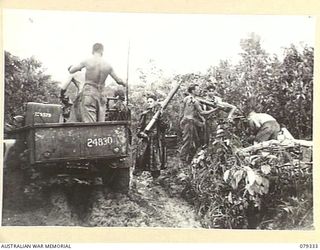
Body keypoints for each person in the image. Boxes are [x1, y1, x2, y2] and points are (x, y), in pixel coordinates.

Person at [60, 43, 126, 123]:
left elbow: (71, 70)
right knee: (100, 123)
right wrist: (125, 83)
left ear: (92, 51)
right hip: (102, 94)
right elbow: (118, 80)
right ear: (102, 52)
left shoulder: (87, 61)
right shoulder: (108, 65)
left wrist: (78, 67)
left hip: (89, 92)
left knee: (90, 123)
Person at [179, 84, 217, 165]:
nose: (199, 90)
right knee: (188, 142)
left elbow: (183, 112)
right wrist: (215, 109)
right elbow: (202, 113)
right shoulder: (194, 100)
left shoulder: (186, 99)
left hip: (188, 121)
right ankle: (183, 162)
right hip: (189, 123)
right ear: (193, 91)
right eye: (197, 89)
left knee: (197, 142)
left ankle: (188, 160)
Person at [134, 94, 168, 179]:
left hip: (157, 142)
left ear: (156, 102)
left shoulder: (160, 113)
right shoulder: (145, 114)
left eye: (151, 101)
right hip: (147, 141)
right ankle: (136, 183)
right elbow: (138, 129)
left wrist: (160, 117)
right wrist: (143, 134)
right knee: (141, 161)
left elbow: (165, 127)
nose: (149, 103)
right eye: (148, 102)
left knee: (156, 163)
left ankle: (156, 179)